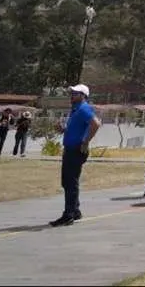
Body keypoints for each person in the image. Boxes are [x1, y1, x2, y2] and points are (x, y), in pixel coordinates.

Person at [51, 84, 101, 227]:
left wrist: (85, 142)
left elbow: (95, 124)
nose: (71, 95)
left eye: (75, 93)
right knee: (67, 182)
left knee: (70, 182)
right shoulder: (75, 110)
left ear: (83, 96)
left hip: (76, 150)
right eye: (71, 93)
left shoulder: (84, 109)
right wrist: (63, 130)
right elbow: (76, 129)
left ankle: (69, 214)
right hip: (70, 148)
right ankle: (75, 210)